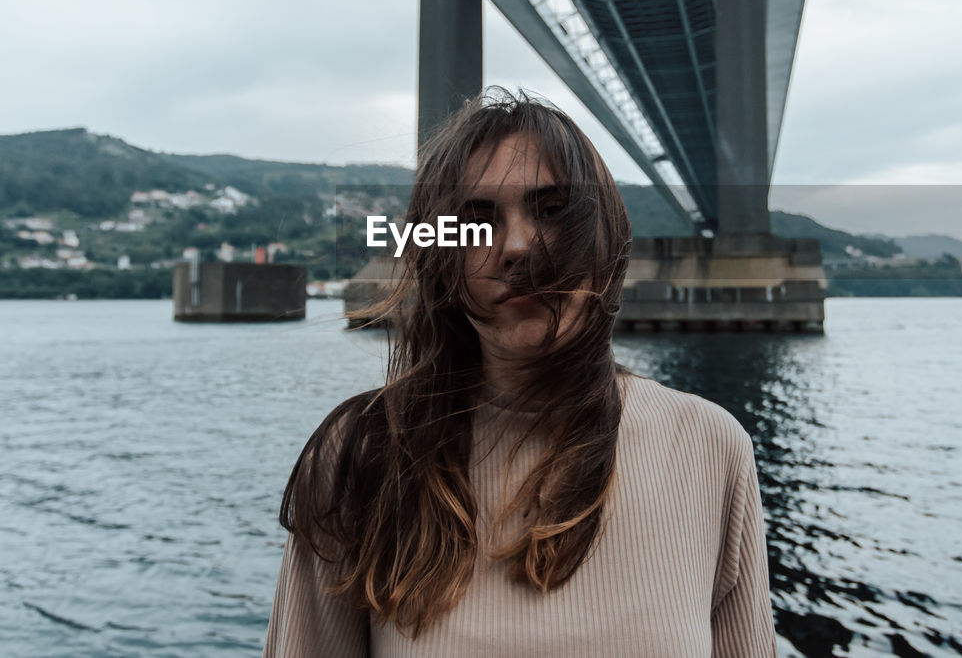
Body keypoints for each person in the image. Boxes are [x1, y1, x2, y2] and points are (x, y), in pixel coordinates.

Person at [264, 89, 778, 657]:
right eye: (474, 220)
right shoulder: (359, 454)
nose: (515, 247)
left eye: (553, 211)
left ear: (604, 237)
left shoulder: (710, 446)